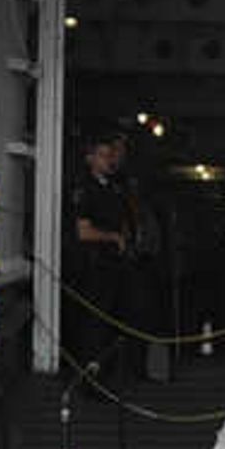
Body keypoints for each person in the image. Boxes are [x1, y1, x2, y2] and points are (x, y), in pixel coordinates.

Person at [63, 132, 141, 388]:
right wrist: (112, 237)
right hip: (92, 266)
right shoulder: (84, 189)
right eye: (104, 155)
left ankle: (110, 376)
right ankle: (90, 381)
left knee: (111, 324)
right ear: (90, 158)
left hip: (113, 266)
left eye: (111, 155)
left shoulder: (114, 188)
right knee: (92, 326)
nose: (110, 160)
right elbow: (83, 231)